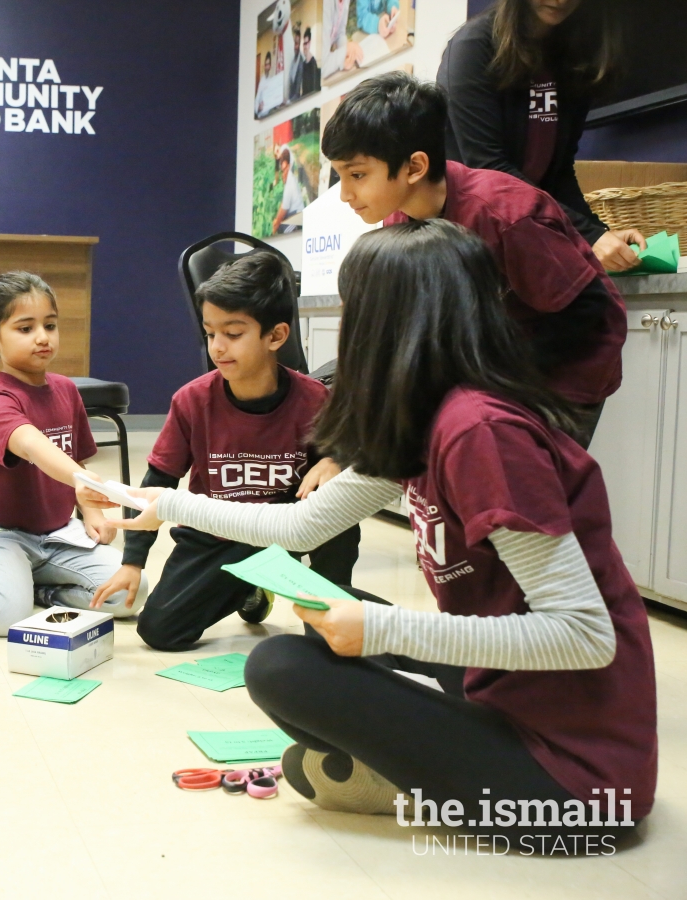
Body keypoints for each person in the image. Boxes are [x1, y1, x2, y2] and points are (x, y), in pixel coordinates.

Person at [99, 220, 656, 846]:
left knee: (281, 665)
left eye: (355, 314)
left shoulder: (481, 433)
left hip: (580, 781)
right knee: (333, 619)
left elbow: (584, 636)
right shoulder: (430, 417)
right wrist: (169, 504)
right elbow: (304, 521)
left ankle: (409, 778)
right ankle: (416, 771)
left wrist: (381, 632)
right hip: (504, 691)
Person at [321, 71, 624, 447]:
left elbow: (587, 309)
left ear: (414, 168)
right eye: (340, 176)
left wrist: (487, 374)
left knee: (527, 490)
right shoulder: (397, 216)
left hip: (563, 372)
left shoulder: (506, 215)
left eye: (357, 174)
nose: (345, 193)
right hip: (490, 372)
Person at [91, 251, 360, 651]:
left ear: (276, 336)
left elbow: (358, 454)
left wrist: (334, 460)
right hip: (218, 536)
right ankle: (253, 588)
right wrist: (133, 561)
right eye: (210, 333)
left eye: (233, 334)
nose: (218, 347)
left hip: (287, 528)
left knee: (335, 506)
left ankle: (331, 603)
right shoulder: (191, 401)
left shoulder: (315, 400)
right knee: (160, 632)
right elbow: (157, 482)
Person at [0, 272, 148, 637]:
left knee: (130, 592)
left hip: (57, 535)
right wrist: (82, 482)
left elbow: (75, 457)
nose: (43, 337)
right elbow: (33, 445)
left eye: (50, 325)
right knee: (1, 616)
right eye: (25, 328)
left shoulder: (65, 390)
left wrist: (90, 509)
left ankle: (39, 591)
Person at [438, 0, 646, 272]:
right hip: (464, 247)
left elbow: (558, 174)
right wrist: (588, 235)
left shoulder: (572, 56)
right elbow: (489, 171)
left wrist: (600, 232)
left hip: (523, 238)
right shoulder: (473, 47)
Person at [272, 148, 307, 234]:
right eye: (283, 170)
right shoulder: (289, 179)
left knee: (282, 228)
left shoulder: (290, 183)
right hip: (292, 213)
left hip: (297, 216)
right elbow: (284, 203)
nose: (284, 173)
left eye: (286, 169)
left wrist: (275, 226)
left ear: (289, 166)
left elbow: (283, 210)